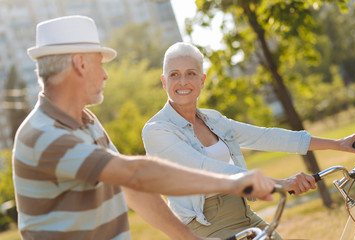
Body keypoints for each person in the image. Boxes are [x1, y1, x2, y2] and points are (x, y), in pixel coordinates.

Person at [12, 16, 277, 240]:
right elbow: (135, 173)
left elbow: (131, 188)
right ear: (81, 64)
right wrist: (234, 181)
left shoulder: (86, 121)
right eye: (100, 63)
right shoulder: (43, 135)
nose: (105, 75)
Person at [142, 42, 355, 239]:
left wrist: (338, 144)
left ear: (202, 80)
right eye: (174, 75)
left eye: (190, 73)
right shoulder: (156, 131)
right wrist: (278, 183)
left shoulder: (213, 119)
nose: (183, 81)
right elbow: (206, 169)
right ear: (164, 81)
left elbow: (266, 136)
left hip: (243, 211)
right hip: (205, 226)